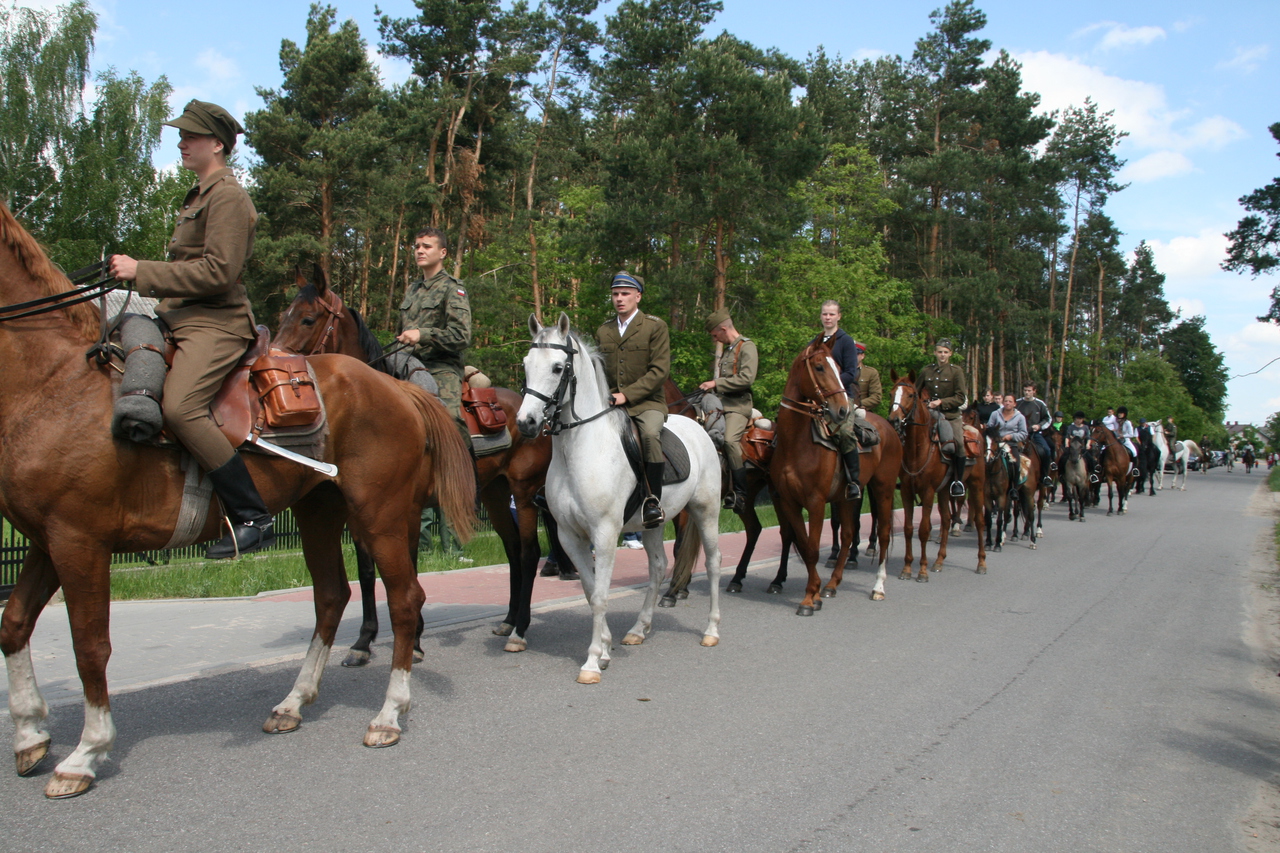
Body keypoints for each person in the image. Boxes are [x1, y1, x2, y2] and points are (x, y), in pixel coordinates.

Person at [108, 100, 275, 559]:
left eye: (191, 136)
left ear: (217, 144)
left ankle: (252, 516)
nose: (181, 143)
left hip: (216, 323)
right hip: (180, 315)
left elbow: (219, 272)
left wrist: (142, 269)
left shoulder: (229, 197)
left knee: (181, 408)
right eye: (181, 136)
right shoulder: (199, 195)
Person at [596, 271, 671, 528]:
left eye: (625, 294)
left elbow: (659, 371)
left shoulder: (655, 326)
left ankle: (652, 499)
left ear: (637, 296)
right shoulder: (604, 330)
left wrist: (626, 395)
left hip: (647, 403)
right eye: (616, 294)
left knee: (650, 435)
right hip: (609, 403)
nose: (619, 299)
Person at [396, 227, 472, 446]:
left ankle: (466, 471)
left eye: (427, 246)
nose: (420, 251)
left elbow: (461, 336)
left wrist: (423, 334)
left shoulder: (453, 289)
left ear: (442, 253)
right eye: (417, 246)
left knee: (448, 418)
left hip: (440, 366)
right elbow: (400, 331)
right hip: (407, 364)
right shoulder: (412, 289)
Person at [699, 309, 757, 513]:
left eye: (716, 335)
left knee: (730, 441)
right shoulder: (729, 349)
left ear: (723, 329)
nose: (716, 339)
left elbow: (746, 379)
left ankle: (740, 493)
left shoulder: (747, 347)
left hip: (738, 406)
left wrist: (716, 383)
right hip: (721, 404)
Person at [811, 300, 861, 499]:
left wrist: (831, 387)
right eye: (824, 314)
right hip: (817, 399)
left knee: (846, 434)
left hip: (840, 397)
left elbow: (851, 372)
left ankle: (854, 481)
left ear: (839, 316)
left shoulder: (846, 341)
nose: (828, 318)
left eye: (831, 314)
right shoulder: (815, 342)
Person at [917, 339, 968, 497]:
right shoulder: (926, 371)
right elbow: (915, 392)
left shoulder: (956, 371)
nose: (942, 355)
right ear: (935, 353)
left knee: (958, 443)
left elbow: (960, 397)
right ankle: (909, 476)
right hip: (930, 416)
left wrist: (941, 402)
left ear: (950, 354)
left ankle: (957, 481)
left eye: (945, 352)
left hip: (950, 416)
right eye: (940, 352)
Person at [1015, 382, 1054, 486]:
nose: (1027, 393)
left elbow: (1048, 418)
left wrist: (1039, 426)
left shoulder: (1040, 404)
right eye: (1025, 390)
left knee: (1047, 450)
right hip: (1018, 433)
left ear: (1034, 391)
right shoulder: (1017, 403)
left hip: (1035, 434)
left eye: (1029, 391)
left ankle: (1045, 476)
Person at [1063, 411, 1098, 484]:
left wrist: (1088, 444)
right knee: (1063, 459)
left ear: (1082, 420)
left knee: (1090, 459)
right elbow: (1067, 436)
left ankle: (1092, 474)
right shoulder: (1071, 427)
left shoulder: (1085, 427)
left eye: (1080, 419)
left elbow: (1088, 437)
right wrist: (1066, 444)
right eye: (1077, 418)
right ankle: (1061, 474)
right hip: (1072, 447)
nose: (1078, 420)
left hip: (1082, 448)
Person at [856, 343, 882, 414]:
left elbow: (876, 397)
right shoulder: (839, 371)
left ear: (862, 356)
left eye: (856, 354)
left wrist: (859, 404)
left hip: (860, 409)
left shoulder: (870, 372)